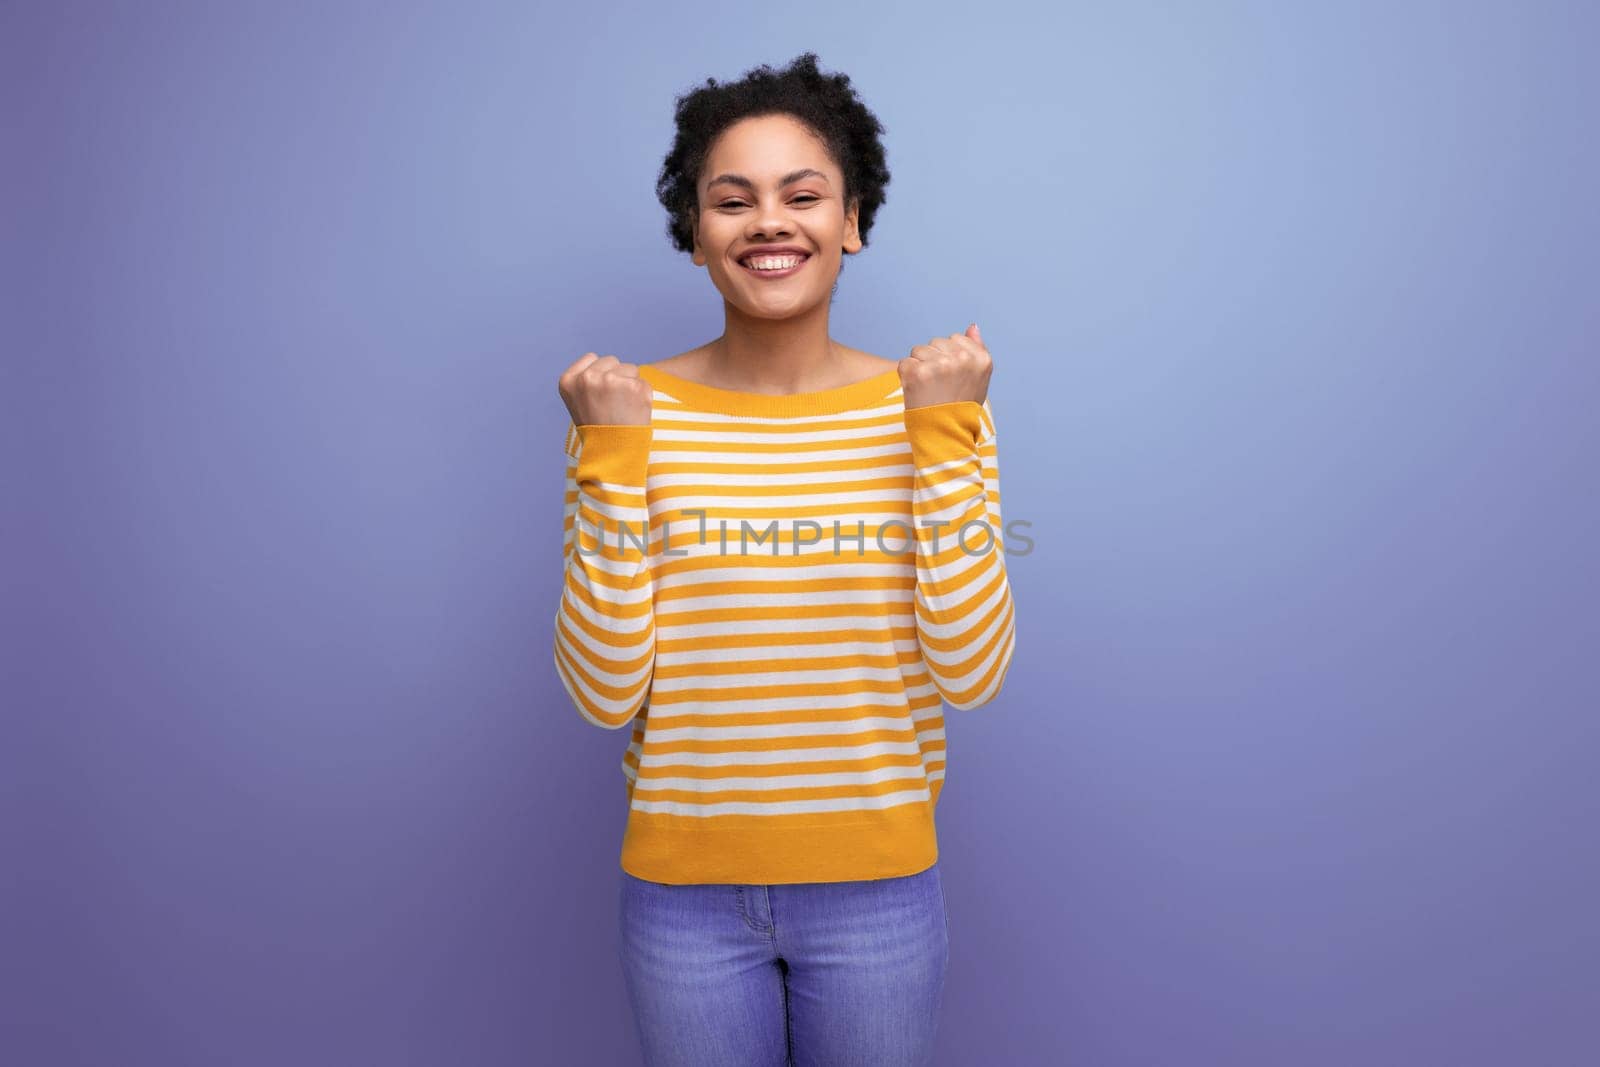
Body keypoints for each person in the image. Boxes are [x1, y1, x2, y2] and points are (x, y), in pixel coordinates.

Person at [552, 51, 1017, 1067]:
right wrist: (611, 459)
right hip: (682, 902)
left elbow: (972, 671)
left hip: (879, 895)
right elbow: (601, 689)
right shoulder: (628, 413)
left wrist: (945, 436)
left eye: (802, 194)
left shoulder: (931, 407)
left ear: (849, 222)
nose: (768, 220)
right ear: (696, 233)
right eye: (732, 199)